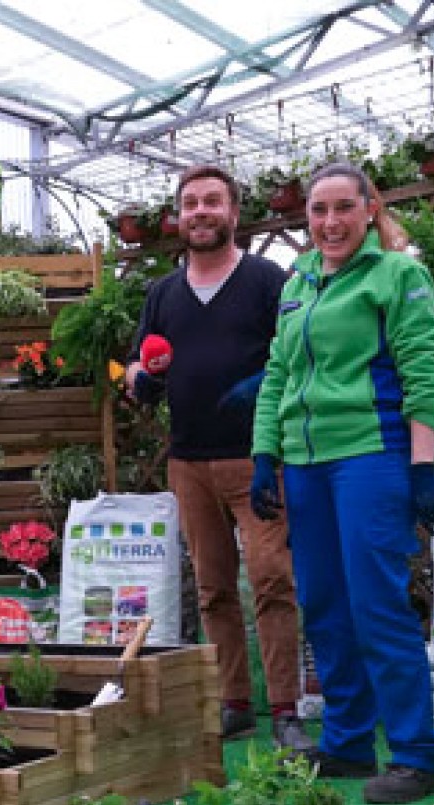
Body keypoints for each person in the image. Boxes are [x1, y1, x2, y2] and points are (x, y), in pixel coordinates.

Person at [248, 161, 434, 804]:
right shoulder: (298, 283)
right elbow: (278, 372)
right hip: (306, 465)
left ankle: (418, 754)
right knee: (326, 607)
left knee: (377, 605)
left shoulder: (398, 274)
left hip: (371, 455)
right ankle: (346, 743)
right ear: (305, 218)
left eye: (343, 208)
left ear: (370, 209)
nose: (330, 222)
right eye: (318, 211)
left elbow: (423, 369)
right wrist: (264, 455)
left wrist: (421, 464)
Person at [125, 164, 313, 753]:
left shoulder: (266, 280)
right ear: (178, 218)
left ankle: (285, 708)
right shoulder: (163, 292)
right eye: (190, 203)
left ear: (234, 214)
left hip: (257, 459)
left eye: (212, 202)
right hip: (189, 463)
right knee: (212, 589)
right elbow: (135, 364)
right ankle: (234, 704)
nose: (200, 212)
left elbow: (299, 354)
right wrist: (142, 381)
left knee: (271, 580)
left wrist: (261, 384)